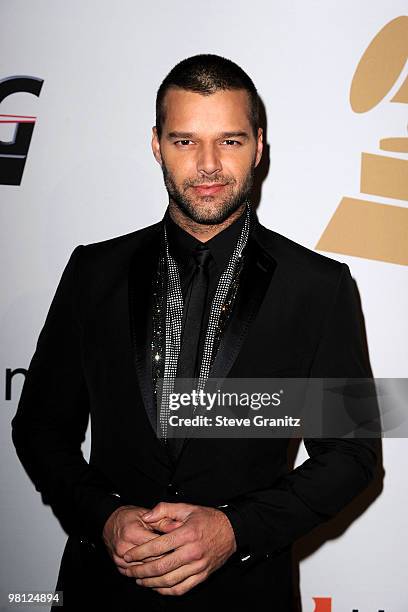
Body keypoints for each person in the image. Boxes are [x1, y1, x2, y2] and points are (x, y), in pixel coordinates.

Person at [11, 54, 379, 611]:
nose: (208, 165)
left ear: (259, 145)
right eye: (185, 142)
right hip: (104, 591)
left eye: (229, 141)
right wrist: (103, 517)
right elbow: (40, 426)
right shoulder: (94, 272)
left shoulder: (318, 287)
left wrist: (235, 530)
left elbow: (351, 455)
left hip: (245, 594)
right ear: (156, 145)